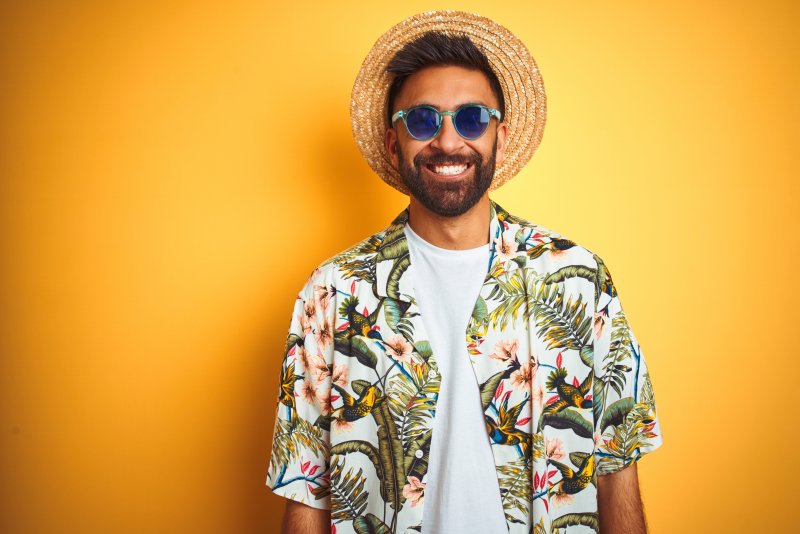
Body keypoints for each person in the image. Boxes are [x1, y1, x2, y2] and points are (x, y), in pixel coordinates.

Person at [265, 10, 662, 534]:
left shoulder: (579, 280)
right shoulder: (332, 293)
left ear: (499, 138)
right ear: (393, 144)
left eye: (472, 118)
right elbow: (305, 490)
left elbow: (617, 471)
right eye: (423, 120)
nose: (449, 142)